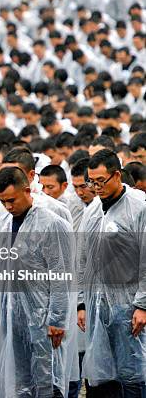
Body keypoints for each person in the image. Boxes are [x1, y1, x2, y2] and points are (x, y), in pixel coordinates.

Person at [0, 167, 75, 397]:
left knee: (46, 375)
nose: (7, 207)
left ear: (27, 191)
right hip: (12, 313)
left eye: (11, 200)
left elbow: (60, 274)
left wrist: (57, 318)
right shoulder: (2, 224)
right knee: (19, 378)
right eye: (2, 202)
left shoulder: (51, 224)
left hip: (43, 317)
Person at [78, 149, 146, 397]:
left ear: (117, 175)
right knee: (101, 371)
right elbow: (82, 257)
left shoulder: (138, 208)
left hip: (128, 306)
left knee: (133, 372)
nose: (95, 187)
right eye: (91, 181)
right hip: (97, 304)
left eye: (100, 181)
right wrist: (81, 303)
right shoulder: (93, 209)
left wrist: (143, 305)